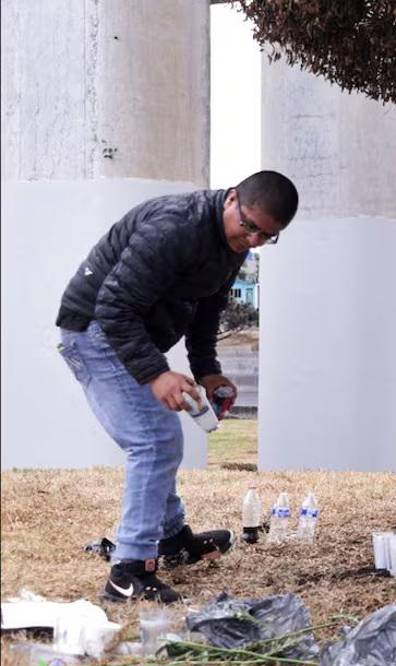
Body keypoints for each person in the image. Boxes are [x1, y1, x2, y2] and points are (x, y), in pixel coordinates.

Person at [55, 171, 299, 603]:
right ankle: (128, 571)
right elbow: (113, 306)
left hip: (129, 334)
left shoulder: (233, 243)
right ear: (231, 199)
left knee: (159, 437)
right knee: (155, 441)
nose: (253, 240)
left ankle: (170, 539)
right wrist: (156, 373)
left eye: (267, 236)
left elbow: (207, 308)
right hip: (94, 329)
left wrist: (207, 370)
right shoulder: (175, 228)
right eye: (249, 226)